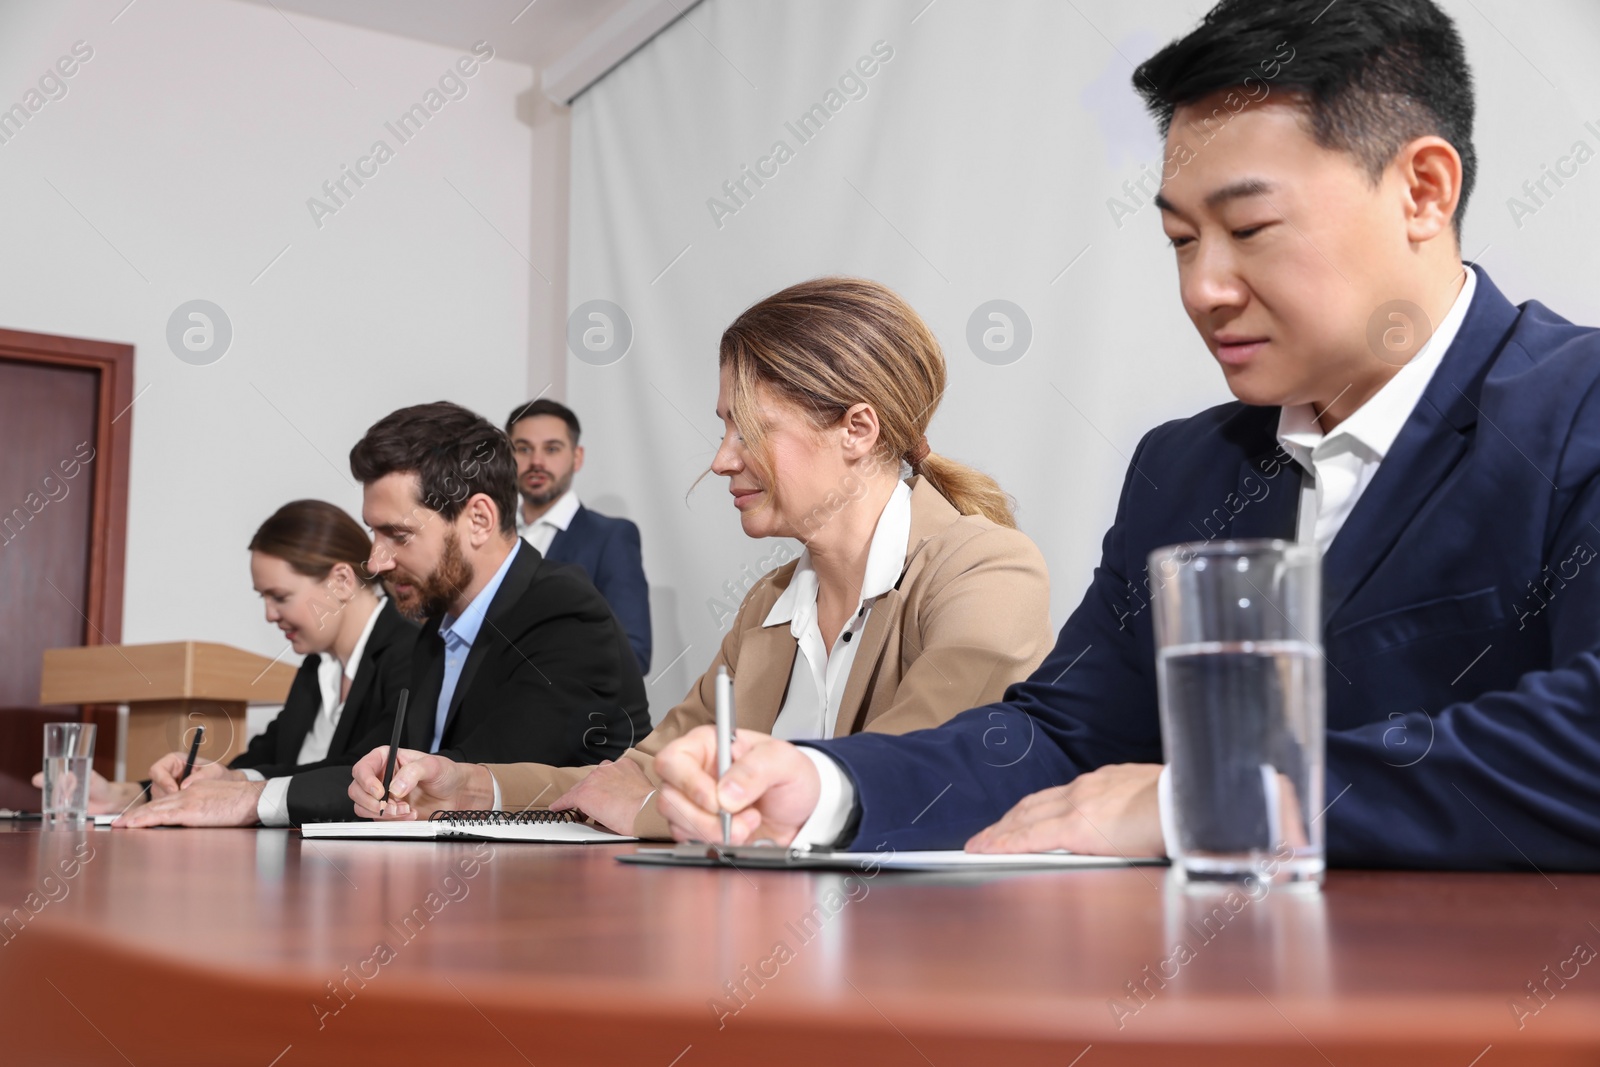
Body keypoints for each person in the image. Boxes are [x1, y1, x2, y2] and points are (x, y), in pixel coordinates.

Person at [652, 0, 1600, 871]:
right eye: (1182, 241)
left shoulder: (1574, 410)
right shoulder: (1187, 471)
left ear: (1424, 190)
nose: (1203, 289)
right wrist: (827, 786)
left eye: (1251, 226)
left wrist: (1213, 803)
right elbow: (1060, 737)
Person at [346, 277, 1055, 837]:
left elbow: (905, 783)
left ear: (857, 429)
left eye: (747, 430)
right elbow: (635, 773)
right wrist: (470, 787)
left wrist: (654, 812)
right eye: (723, 429)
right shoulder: (771, 603)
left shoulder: (986, 569)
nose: (721, 460)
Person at [338, 400, 650, 802]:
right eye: (373, 534)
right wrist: (252, 785)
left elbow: (464, 778)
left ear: (480, 520)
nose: (375, 562)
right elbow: (375, 763)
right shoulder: (437, 626)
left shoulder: (565, 614)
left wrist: (261, 799)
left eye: (397, 535)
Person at [114, 501, 419, 827]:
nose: (269, 615)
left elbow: (364, 772)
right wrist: (132, 792)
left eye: (280, 597)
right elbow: (265, 757)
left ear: (342, 582)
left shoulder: (413, 653)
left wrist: (240, 786)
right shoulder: (317, 666)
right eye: (264, 598)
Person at [506, 398, 652, 672]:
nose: (536, 461)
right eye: (523, 448)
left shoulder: (611, 537)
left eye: (552, 449)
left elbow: (634, 653)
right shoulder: (491, 537)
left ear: (577, 457)